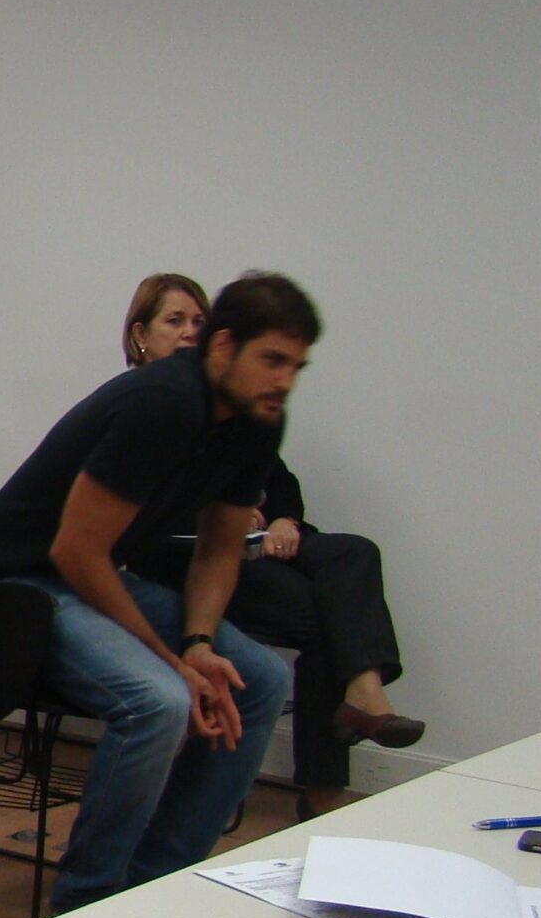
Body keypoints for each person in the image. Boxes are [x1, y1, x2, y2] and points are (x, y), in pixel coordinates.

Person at [0, 271, 308, 912]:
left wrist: (200, 642)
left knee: (258, 679)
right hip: (15, 584)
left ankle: (154, 891)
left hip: (89, 576)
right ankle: (86, 906)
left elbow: (221, 548)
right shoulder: (164, 403)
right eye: (273, 360)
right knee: (160, 699)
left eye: (296, 366)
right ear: (224, 347)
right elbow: (74, 551)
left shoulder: (258, 420)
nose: (284, 381)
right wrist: (174, 660)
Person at [121, 271, 421, 802]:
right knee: (330, 618)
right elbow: (140, 522)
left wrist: (285, 520)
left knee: (355, 552)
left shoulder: (230, 406)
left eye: (198, 321)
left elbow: (279, 486)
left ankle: (362, 691)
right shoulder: (144, 408)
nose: (190, 332)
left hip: (253, 550)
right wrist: (227, 519)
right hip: (181, 563)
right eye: (175, 321)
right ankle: (325, 786)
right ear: (141, 335)